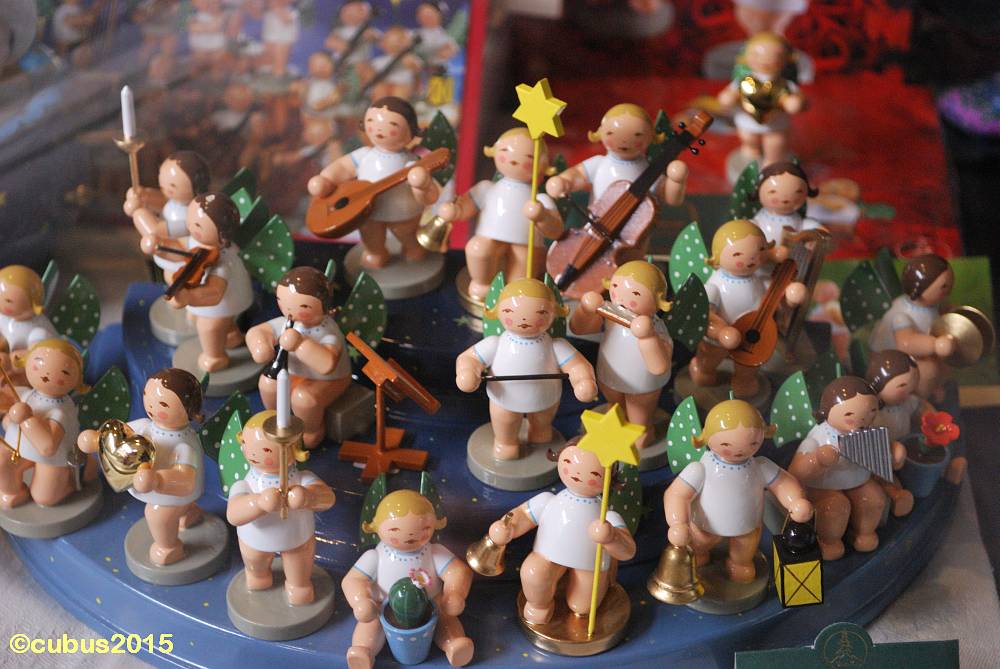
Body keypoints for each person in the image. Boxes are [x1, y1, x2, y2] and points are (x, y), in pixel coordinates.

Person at [342, 489, 474, 669]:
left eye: (424, 529)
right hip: (383, 606)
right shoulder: (375, 556)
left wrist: (454, 594)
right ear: (377, 527)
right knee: (370, 623)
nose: (410, 535)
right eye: (395, 530)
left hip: (430, 604)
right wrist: (361, 601)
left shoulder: (434, 552)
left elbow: (458, 571)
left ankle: (454, 646)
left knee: (445, 618)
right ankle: (363, 652)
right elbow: (353, 580)